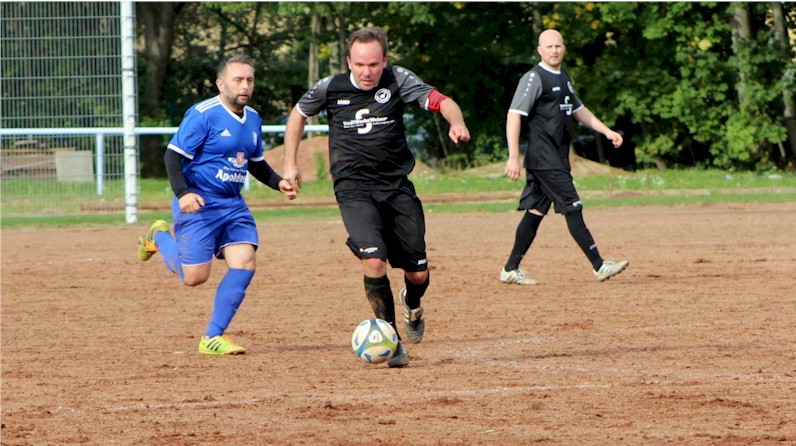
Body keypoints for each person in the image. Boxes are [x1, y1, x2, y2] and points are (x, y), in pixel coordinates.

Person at [281, 27, 470, 367]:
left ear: (385, 60)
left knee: (418, 274)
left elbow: (444, 102)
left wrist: (456, 122)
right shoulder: (331, 87)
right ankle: (392, 340)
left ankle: (413, 303)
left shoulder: (399, 80)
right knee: (374, 260)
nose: (366, 72)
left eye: (373, 64)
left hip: (397, 187)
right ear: (348, 62)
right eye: (359, 64)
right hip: (353, 188)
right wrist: (290, 163)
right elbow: (298, 114)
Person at [137, 55, 297, 355]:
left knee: (245, 261)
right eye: (238, 80)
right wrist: (183, 193)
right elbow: (173, 156)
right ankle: (158, 236)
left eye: (249, 79)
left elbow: (256, 163)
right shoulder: (203, 114)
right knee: (194, 278)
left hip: (233, 205)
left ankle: (212, 336)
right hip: (199, 203)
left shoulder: (253, 118)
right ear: (220, 83)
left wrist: (278, 182)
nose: (245, 85)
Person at [500, 29, 628, 286]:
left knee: (535, 212)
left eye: (558, 46)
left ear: (564, 48)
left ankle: (510, 269)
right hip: (544, 159)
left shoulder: (564, 76)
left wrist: (607, 131)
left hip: (555, 158)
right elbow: (514, 114)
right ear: (539, 50)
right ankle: (599, 265)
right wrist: (513, 156)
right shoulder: (534, 78)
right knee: (573, 207)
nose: (554, 50)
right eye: (549, 46)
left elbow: (578, 109)